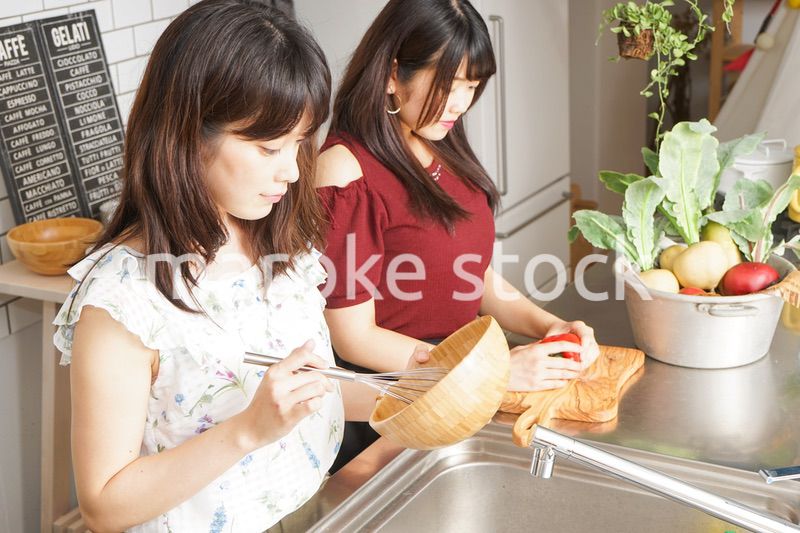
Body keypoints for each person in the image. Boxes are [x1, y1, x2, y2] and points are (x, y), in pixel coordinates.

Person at [53, 2, 425, 531]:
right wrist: (248, 430)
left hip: (310, 510)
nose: (292, 171)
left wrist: (416, 393)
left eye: (300, 143)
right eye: (269, 148)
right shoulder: (124, 298)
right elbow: (104, 505)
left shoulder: (277, 239)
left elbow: (311, 393)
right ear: (187, 135)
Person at [316, 0, 601, 468]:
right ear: (392, 74)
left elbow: (471, 276)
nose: (461, 104)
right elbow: (354, 338)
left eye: (471, 86)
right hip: (395, 413)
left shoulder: (438, 141)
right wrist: (491, 372)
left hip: (463, 391)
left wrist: (547, 325)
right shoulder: (345, 172)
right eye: (449, 85)